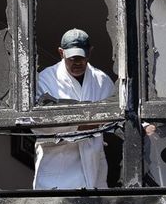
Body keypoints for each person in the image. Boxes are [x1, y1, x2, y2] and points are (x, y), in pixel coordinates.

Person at [32, 28, 116, 189]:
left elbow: (118, 114)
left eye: (81, 57)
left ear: (90, 52)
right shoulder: (46, 80)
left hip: (93, 165)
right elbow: (40, 125)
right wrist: (84, 125)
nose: (77, 62)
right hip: (57, 168)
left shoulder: (102, 80)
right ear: (61, 52)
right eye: (71, 58)